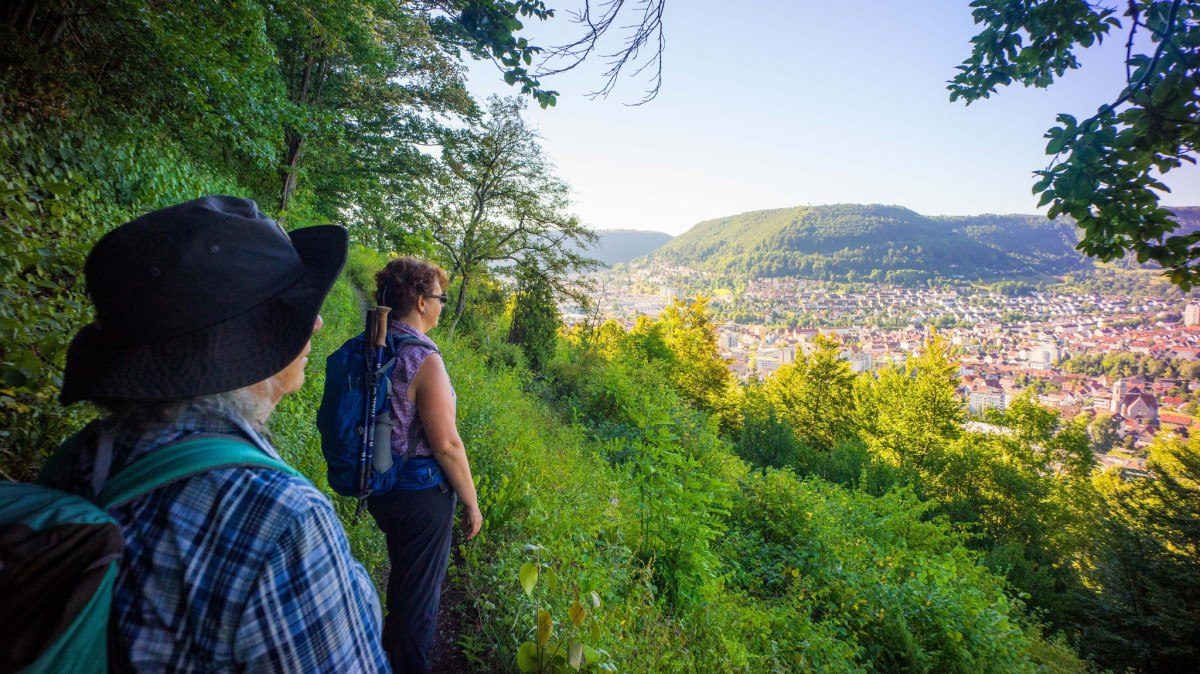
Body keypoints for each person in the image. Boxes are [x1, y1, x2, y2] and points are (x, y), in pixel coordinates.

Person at [39, 196, 391, 672]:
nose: (316, 322)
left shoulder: (82, 456)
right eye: (287, 312)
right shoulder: (281, 519)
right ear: (244, 350)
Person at [366, 256, 483, 673]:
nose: (442, 305)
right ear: (419, 301)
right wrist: (472, 502)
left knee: (404, 584)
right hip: (420, 495)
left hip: (383, 486)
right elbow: (448, 444)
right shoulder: (425, 359)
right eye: (439, 297)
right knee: (419, 605)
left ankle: (384, 657)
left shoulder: (378, 341)